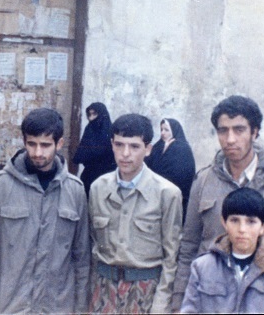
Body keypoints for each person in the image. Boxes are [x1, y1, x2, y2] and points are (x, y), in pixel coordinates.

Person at [171, 95, 264, 312]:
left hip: (263, 298)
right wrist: (178, 303)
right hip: (212, 299)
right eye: (223, 130)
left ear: (254, 132)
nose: (230, 139)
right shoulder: (203, 181)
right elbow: (189, 246)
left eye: (239, 130)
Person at [0, 108, 91, 314]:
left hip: (57, 307)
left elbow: (81, 255)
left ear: (59, 144)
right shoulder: (0, 186)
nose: (38, 152)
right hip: (8, 307)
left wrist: (80, 305)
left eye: (45, 145)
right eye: (32, 144)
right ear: (24, 141)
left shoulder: (75, 190)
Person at [89, 113, 183, 314]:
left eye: (134, 146)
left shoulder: (167, 193)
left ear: (148, 149)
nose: (125, 154)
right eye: (119, 145)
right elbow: (91, 244)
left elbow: (171, 256)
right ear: (112, 145)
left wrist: (161, 305)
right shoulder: (98, 188)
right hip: (103, 290)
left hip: (145, 291)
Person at [180, 188, 264, 313]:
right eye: (234, 220)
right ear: (224, 223)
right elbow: (189, 310)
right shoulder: (202, 267)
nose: (242, 229)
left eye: (251, 222)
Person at [145, 118, 196, 222]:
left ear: (174, 130)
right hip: (154, 194)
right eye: (161, 129)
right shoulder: (158, 146)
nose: (163, 133)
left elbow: (181, 174)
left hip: (174, 195)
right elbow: (148, 166)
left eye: (166, 130)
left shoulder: (182, 148)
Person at [73, 102, 117, 197]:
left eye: (94, 114)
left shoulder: (111, 132)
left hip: (108, 178)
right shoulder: (89, 129)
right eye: (89, 115)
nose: (91, 118)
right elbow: (81, 153)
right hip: (89, 176)